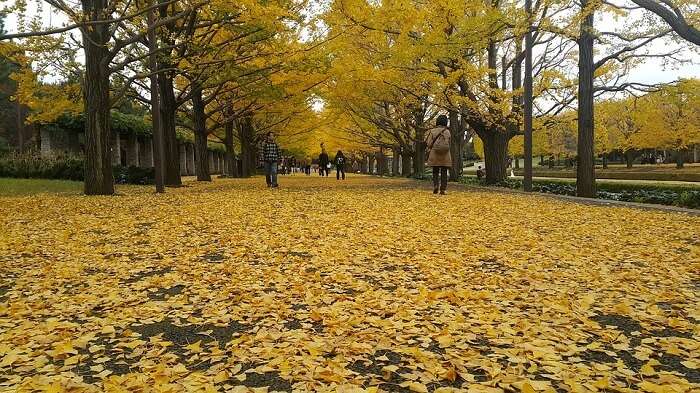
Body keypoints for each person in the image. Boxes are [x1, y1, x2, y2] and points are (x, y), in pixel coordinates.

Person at [425, 115, 452, 195]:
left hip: (434, 153)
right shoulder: (447, 132)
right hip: (445, 154)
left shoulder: (432, 131)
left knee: (435, 171)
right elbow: (449, 144)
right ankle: (443, 189)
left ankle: (435, 186)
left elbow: (429, 143)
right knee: (444, 171)